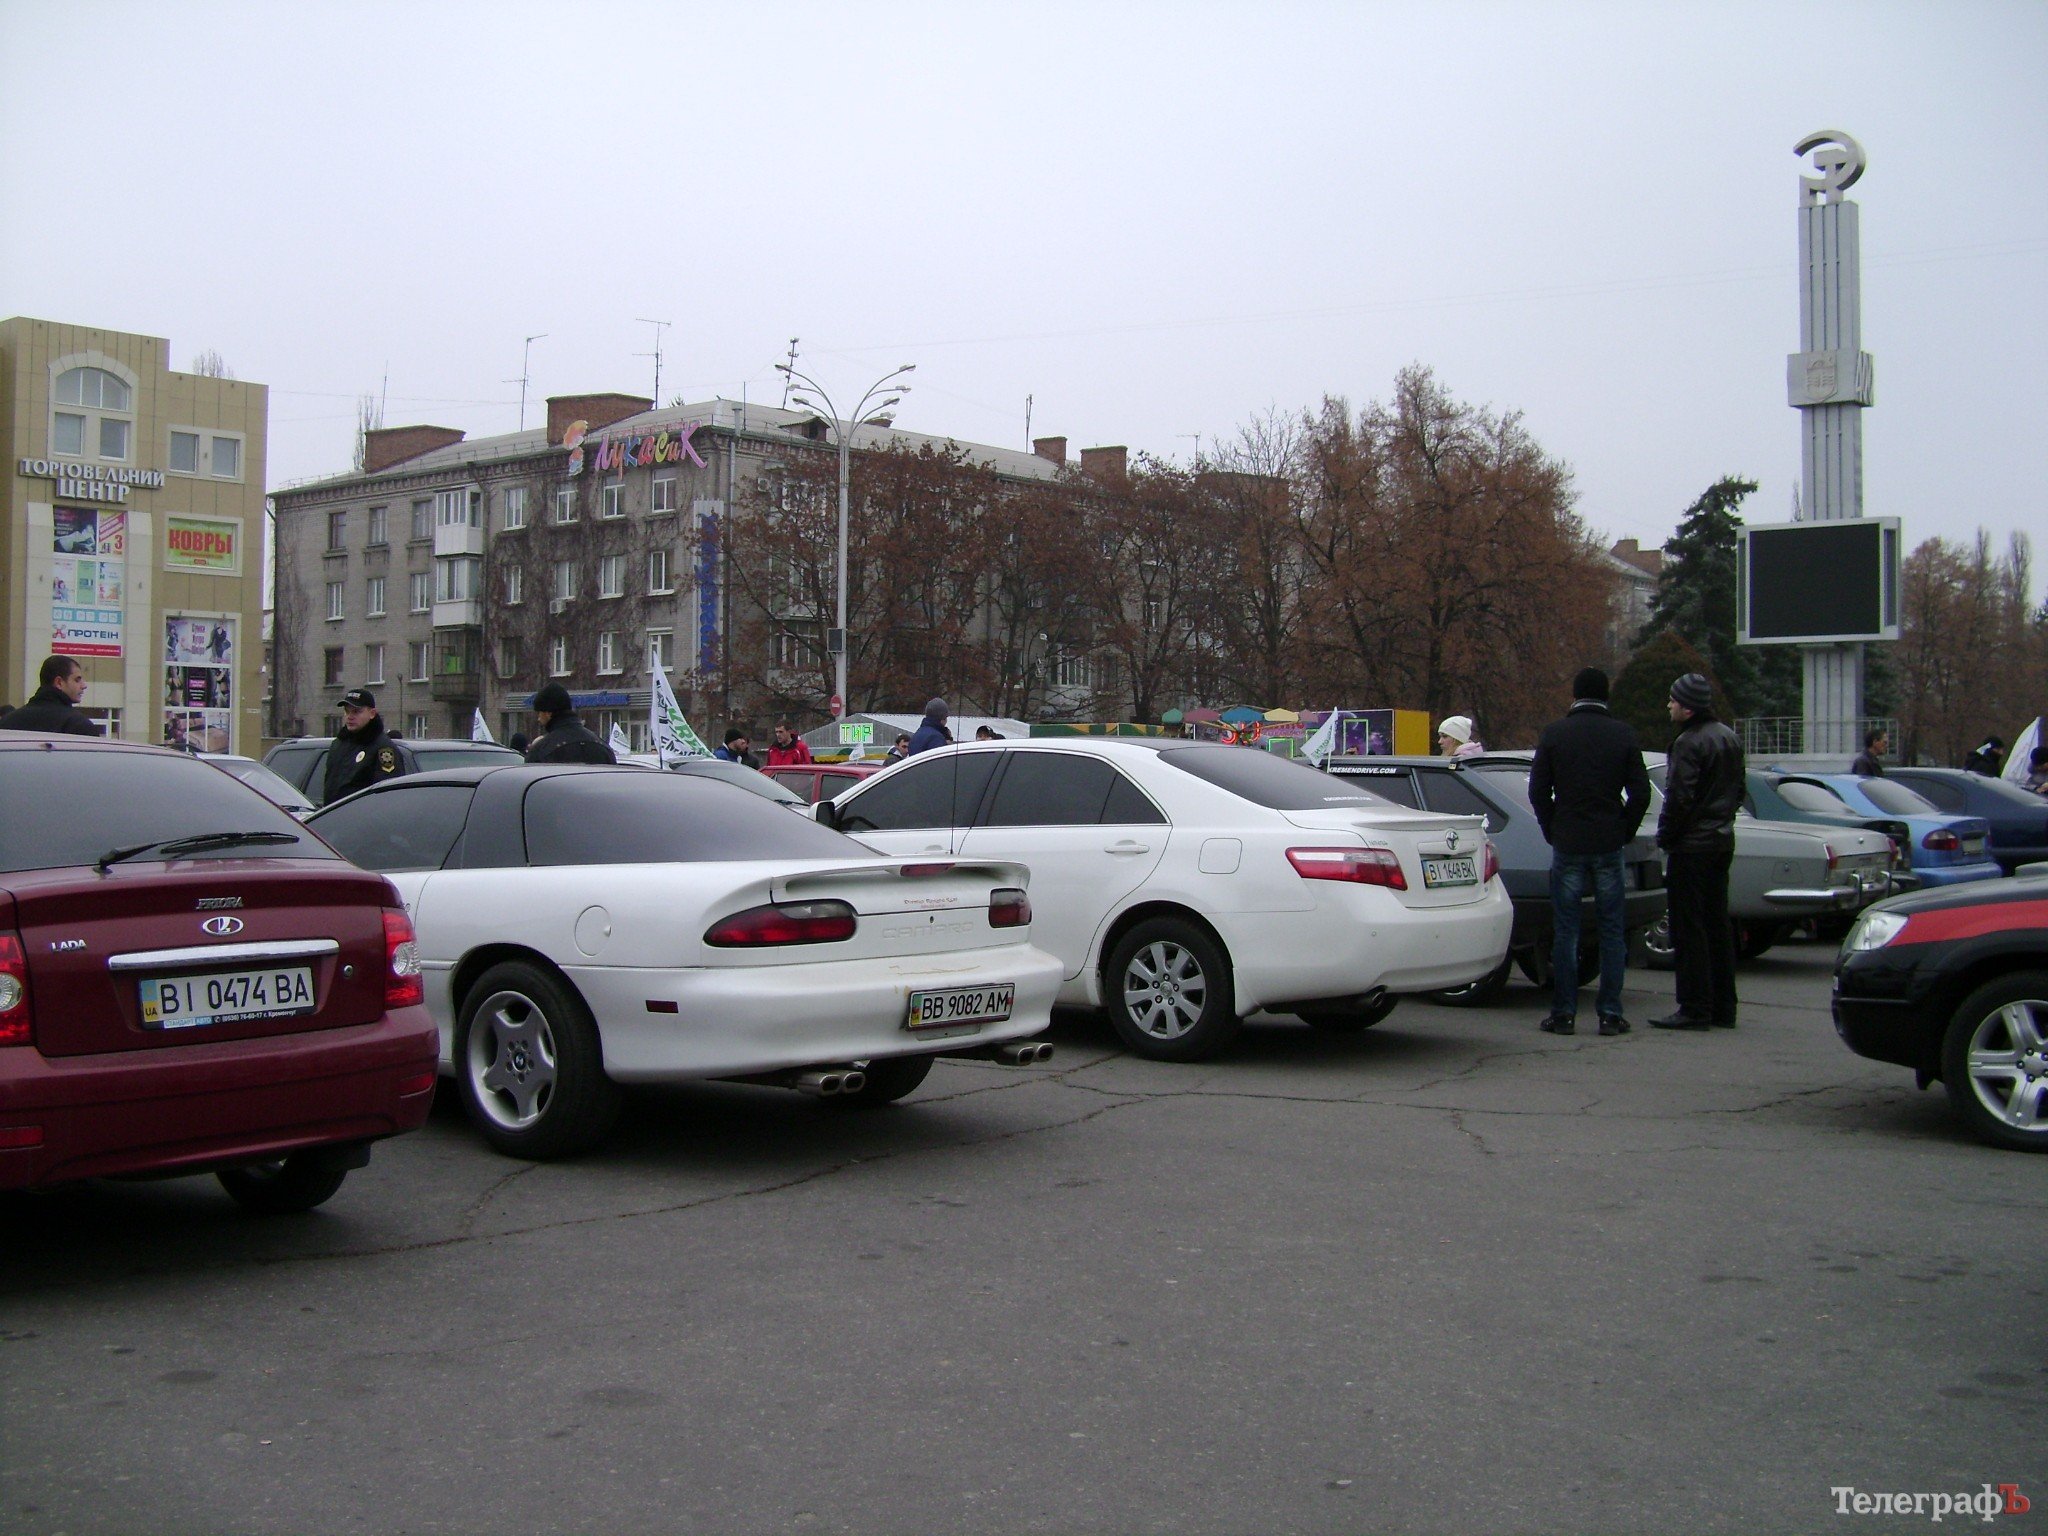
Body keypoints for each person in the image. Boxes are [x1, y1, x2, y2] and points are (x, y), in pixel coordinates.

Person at [1528, 667, 1652, 1037]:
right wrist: (1624, 829)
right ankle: (1610, 1013)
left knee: (1566, 931)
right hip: (1608, 840)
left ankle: (1563, 1013)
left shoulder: (1555, 734)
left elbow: (1538, 790)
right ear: (1606, 695)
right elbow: (1641, 792)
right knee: (1612, 930)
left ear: (1575, 694)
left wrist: (1552, 827)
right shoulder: (1623, 734)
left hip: (1568, 838)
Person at [1651, 673, 1746, 1032]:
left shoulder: (1688, 743)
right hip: (1721, 841)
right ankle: (1723, 1005)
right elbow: (1738, 790)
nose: (1669, 705)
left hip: (1692, 847)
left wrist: (1667, 836)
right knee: (1717, 923)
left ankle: (1694, 1006)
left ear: (1688, 708)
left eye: (1673, 700)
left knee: (1689, 927)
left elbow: (1679, 797)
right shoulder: (1728, 737)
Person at [321, 687, 406, 804]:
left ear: (372, 714)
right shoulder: (339, 744)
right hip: (334, 812)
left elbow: (388, 794)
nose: (350, 716)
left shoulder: (383, 749)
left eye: (356, 711)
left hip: (363, 813)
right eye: (347, 711)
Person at [0, 656, 103, 736]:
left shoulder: (7, 722)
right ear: (59, 682)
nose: (84, 686)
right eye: (77, 680)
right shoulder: (79, 726)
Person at [524, 682, 615, 764]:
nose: (538, 719)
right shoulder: (602, 747)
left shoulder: (542, 750)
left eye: (539, 713)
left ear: (548, 713)